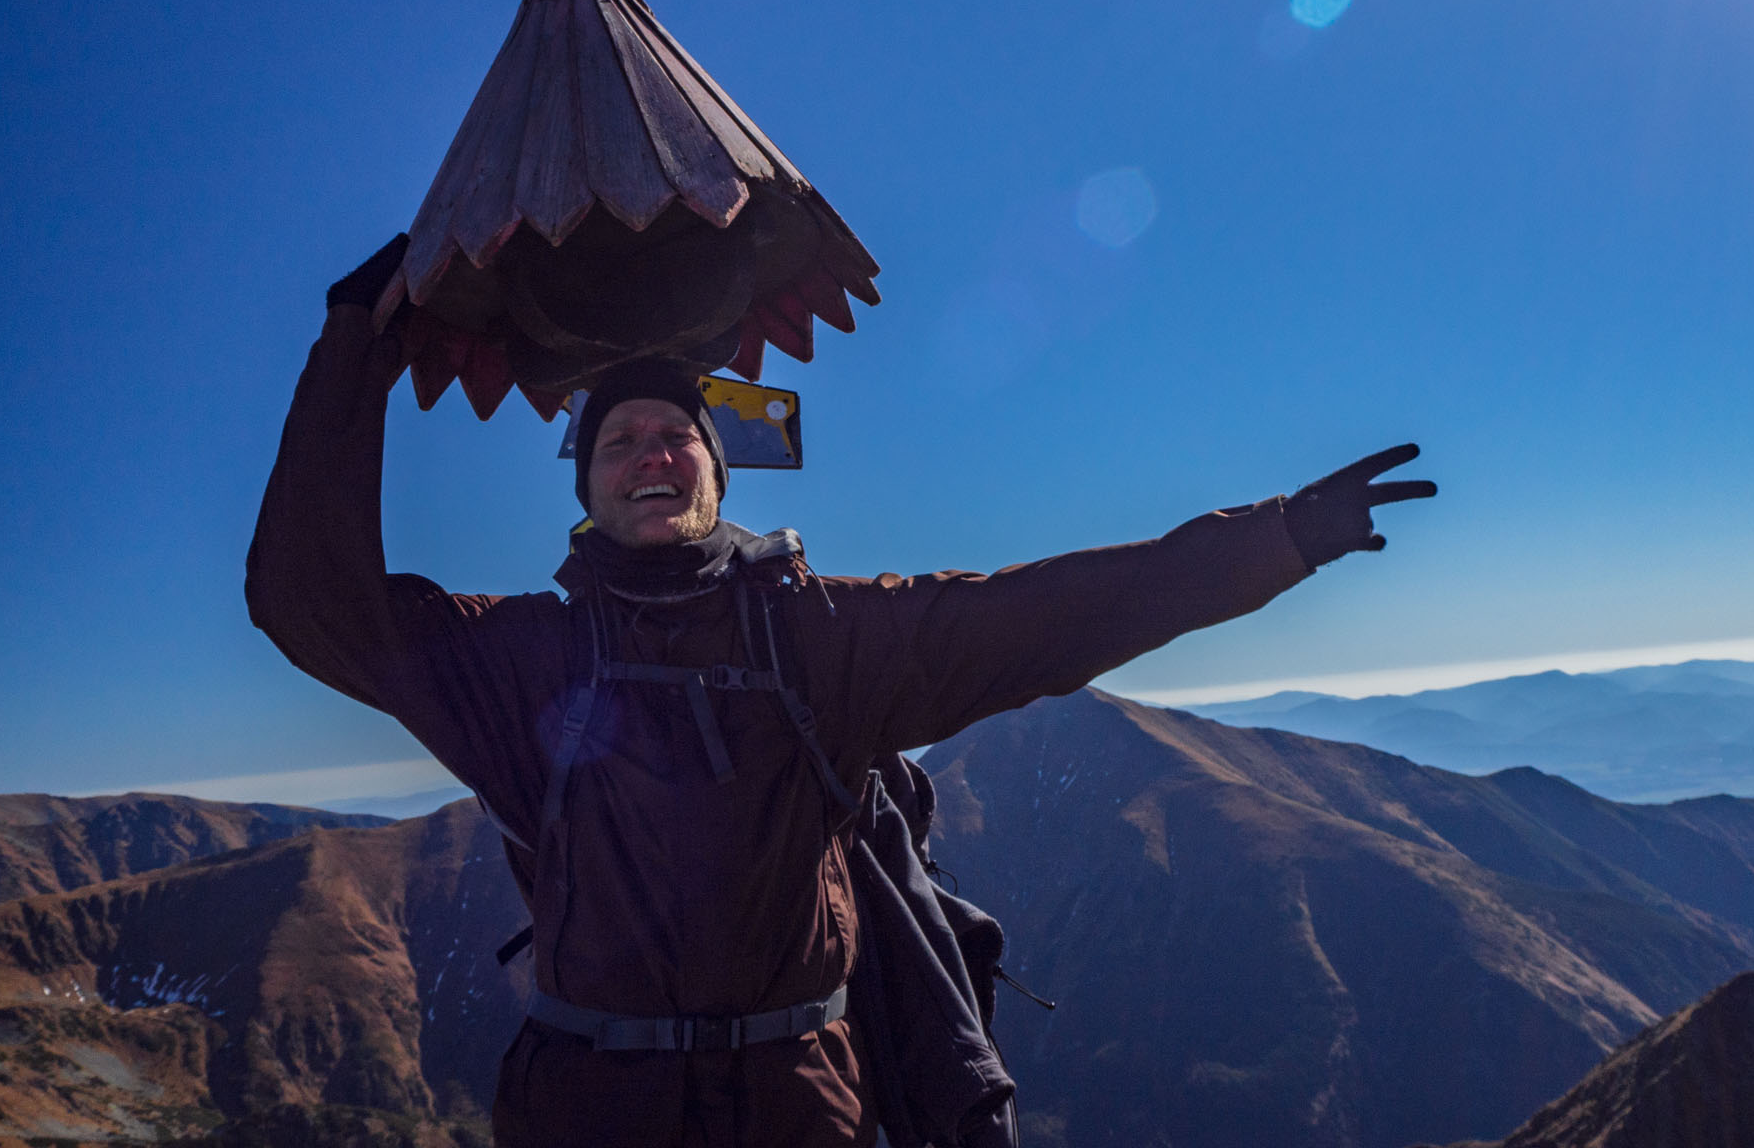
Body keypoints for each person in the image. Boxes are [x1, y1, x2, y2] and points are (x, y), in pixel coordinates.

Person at [245, 238, 1436, 1147]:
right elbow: (311, 598)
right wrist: (354, 344)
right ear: (588, 489)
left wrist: (1277, 538)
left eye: (677, 437)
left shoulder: (815, 635)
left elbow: (1043, 616)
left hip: (799, 1101)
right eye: (621, 444)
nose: (651, 454)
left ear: (716, 472)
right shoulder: (514, 662)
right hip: (590, 1108)